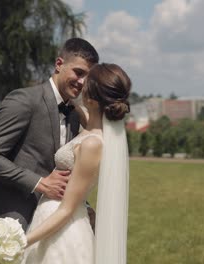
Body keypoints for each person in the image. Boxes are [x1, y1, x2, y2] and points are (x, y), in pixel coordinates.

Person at [0, 38, 99, 231]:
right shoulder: (24, 100)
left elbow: (67, 171)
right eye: (78, 72)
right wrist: (39, 183)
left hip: (52, 226)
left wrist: (84, 206)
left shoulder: (74, 115)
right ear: (59, 64)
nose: (82, 82)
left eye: (87, 77)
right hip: (11, 221)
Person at [22, 63, 131, 264]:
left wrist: (22, 241)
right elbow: (88, 118)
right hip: (50, 219)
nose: (80, 85)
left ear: (91, 98)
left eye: (85, 83)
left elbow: (67, 209)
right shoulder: (93, 129)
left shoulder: (92, 144)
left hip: (63, 230)